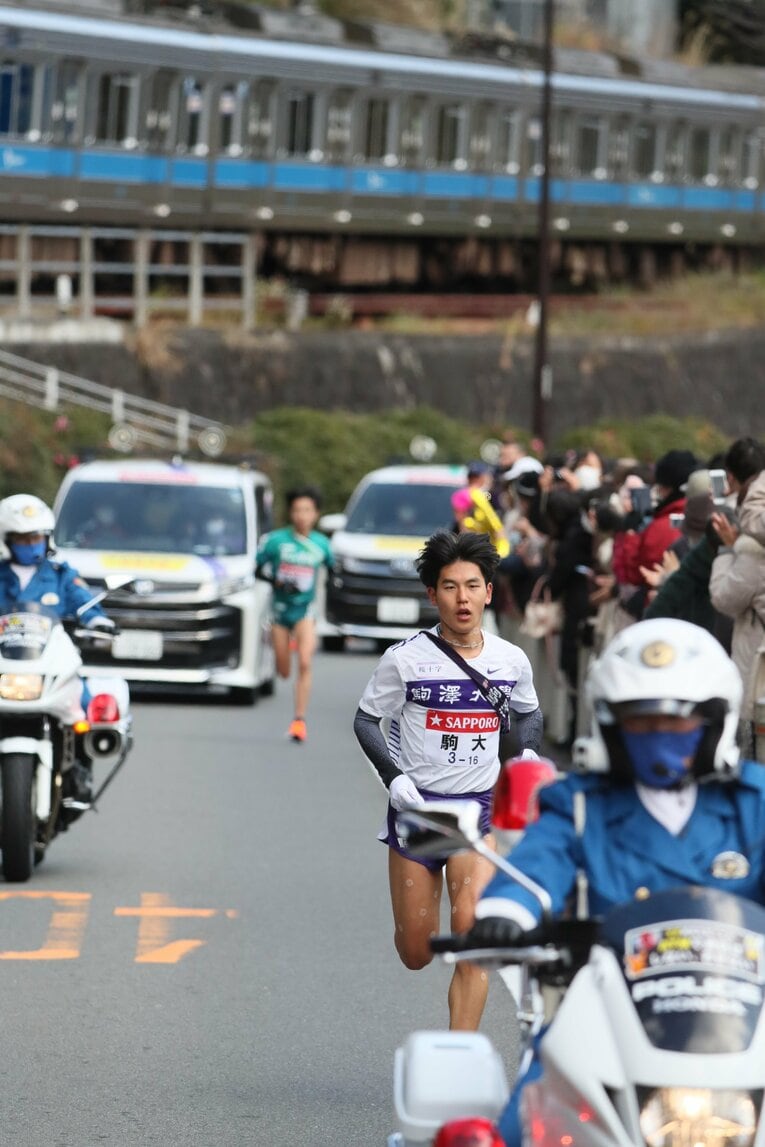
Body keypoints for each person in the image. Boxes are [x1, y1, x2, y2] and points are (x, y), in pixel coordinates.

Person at [458, 617, 763, 1147]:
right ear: (612, 726)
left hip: (744, 1011)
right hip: (603, 1012)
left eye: (677, 721)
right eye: (641, 722)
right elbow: (538, 863)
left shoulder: (753, 803)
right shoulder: (579, 804)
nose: (659, 735)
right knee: (519, 1127)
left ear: (714, 723)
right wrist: (504, 913)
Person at [353, 530, 543, 1032]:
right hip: (419, 813)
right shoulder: (405, 659)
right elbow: (366, 720)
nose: (462, 598)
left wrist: (525, 755)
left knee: (471, 934)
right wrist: (394, 778)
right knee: (416, 952)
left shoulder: (510, 659)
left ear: (488, 591)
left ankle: (460, 1056)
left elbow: (529, 713)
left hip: (478, 812)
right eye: (450, 586)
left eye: (472, 586)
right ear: (432, 594)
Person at [0, 493, 116, 801]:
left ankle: (80, 770)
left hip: (49, 661)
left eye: (36, 537)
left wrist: (98, 621)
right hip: (6, 662)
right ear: (6, 540)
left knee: (85, 704)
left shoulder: (60, 574)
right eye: (22, 539)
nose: (31, 544)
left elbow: (84, 603)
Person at [255, 485, 333, 743]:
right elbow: (257, 569)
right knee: (284, 671)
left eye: (307, 510)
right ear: (290, 513)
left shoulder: (321, 544)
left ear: (316, 514)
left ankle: (299, 720)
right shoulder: (276, 541)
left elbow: (334, 572)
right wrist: (277, 581)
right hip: (280, 611)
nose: (302, 515)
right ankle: (285, 649)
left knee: (306, 662)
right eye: (297, 510)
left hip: (305, 611)